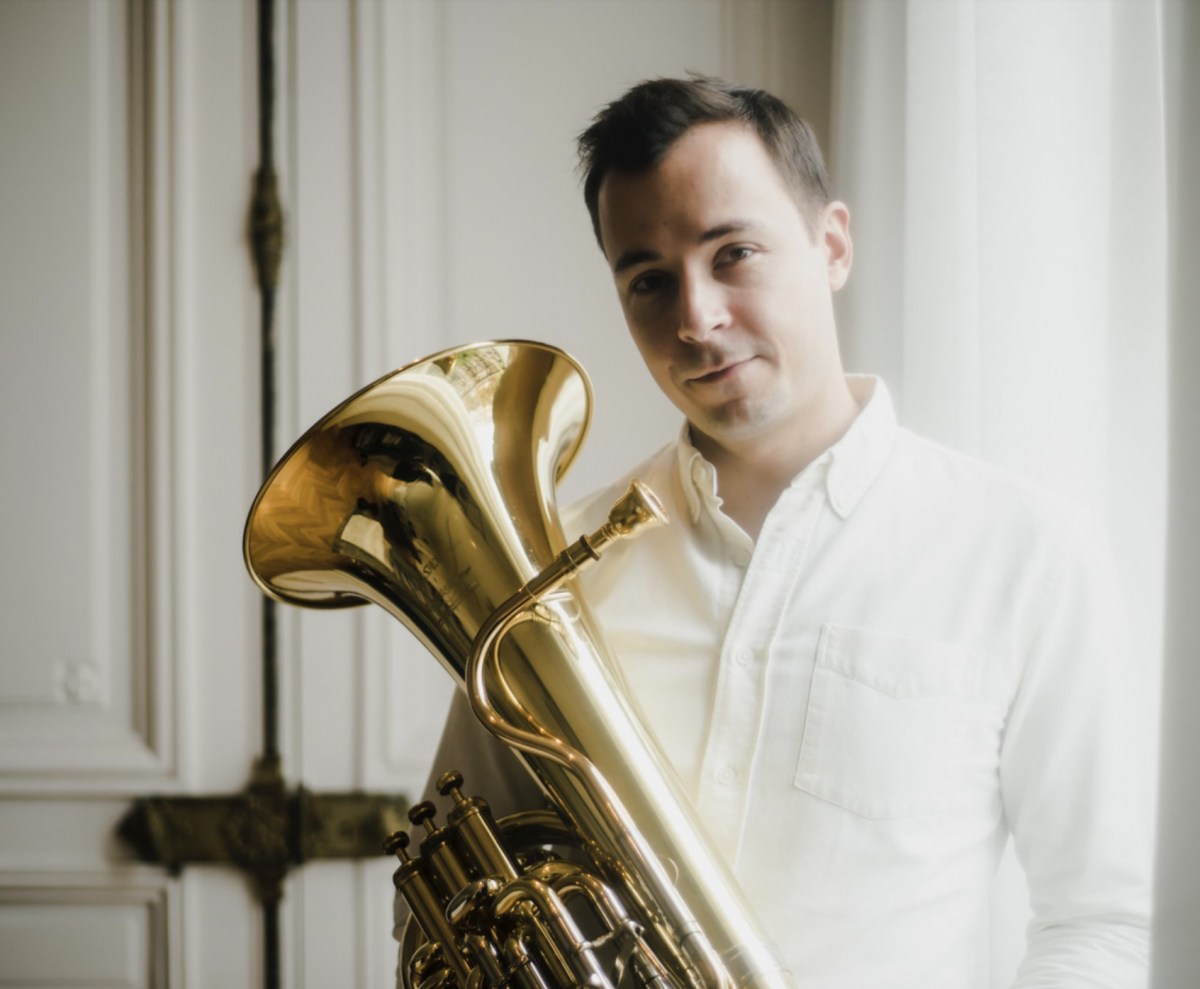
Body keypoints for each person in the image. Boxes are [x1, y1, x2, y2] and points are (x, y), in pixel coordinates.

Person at [400, 76, 1153, 988]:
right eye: (649, 280)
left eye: (735, 253)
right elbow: (452, 899)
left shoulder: (1028, 552)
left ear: (832, 245)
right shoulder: (549, 569)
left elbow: (1107, 921)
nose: (697, 319)